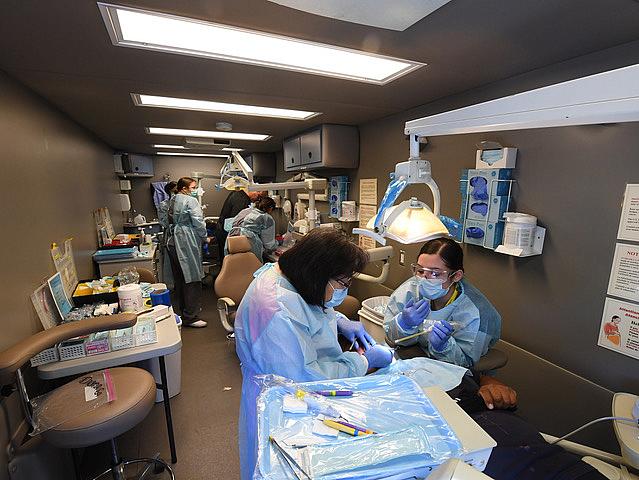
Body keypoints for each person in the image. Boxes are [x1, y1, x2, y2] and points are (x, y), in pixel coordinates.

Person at [234, 229, 393, 480]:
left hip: (290, 384)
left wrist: (339, 320)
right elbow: (305, 376)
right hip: (284, 395)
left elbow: (309, 305)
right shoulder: (277, 310)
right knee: (288, 468)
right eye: (343, 283)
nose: (345, 289)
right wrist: (362, 361)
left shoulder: (289, 275)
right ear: (318, 273)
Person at [385, 237, 501, 368]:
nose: (424, 279)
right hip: (413, 359)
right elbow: (392, 337)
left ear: (456, 275)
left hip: (448, 372)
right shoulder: (410, 290)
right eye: (421, 271)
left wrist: (444, 347)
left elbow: (465, 362)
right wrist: (403, 325)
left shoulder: (475, 312)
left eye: (435, 273)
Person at [166, 177, 208, 328]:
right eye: (193, 187)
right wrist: (205, 237)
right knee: (192, 277)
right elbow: (198, 221)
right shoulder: (191, 201)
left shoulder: (172, 199)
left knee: (181, 278)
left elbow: (166, 220)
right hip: (186, 240)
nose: (195, 190)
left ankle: (185, 311)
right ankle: (191, 316)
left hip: (172, 241)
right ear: (184, 188)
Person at [225, 196, 278, 262]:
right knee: (251, 266)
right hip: (248, 241)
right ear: (270, 208)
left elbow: (229, 225)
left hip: (231, 239)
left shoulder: (245, 211)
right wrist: (276, 244)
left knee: (233, 264)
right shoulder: (266, 218)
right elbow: (268, 244)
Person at [215, 189, 252, 259]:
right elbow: (236, 220)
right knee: (230, 262)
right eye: (259, 192)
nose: (259, 195)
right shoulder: (241, 198)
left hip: (224, 229)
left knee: (226, 261)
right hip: (228, 232)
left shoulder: (237, 193)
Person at [157, 181, 177, 287]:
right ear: (170, 192)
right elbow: (164, 222)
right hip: (171, 236)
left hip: (183, 237)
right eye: (175, 191)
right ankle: (171, 286)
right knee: (170, 264)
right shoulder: (164, 205)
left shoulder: (184, 203)